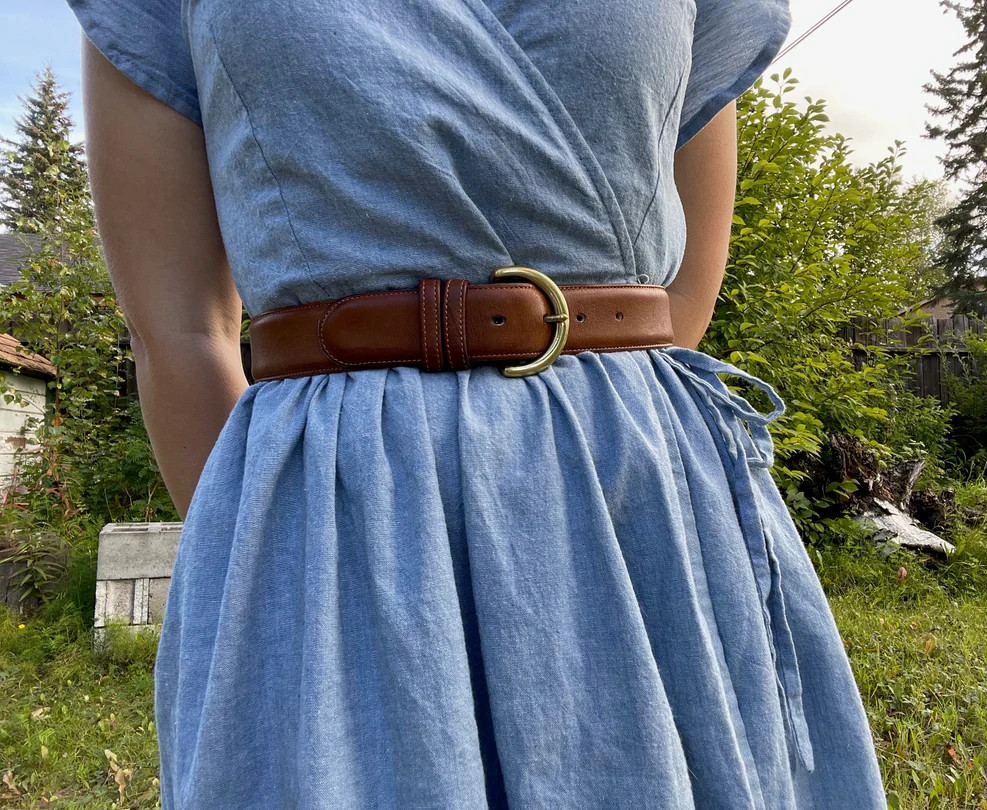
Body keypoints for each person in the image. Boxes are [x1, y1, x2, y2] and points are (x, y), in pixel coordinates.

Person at [66, 0, 889, 807]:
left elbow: (678, 306)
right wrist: (275, 566)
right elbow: (181, 335)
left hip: (637, 502)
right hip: (335, 518)